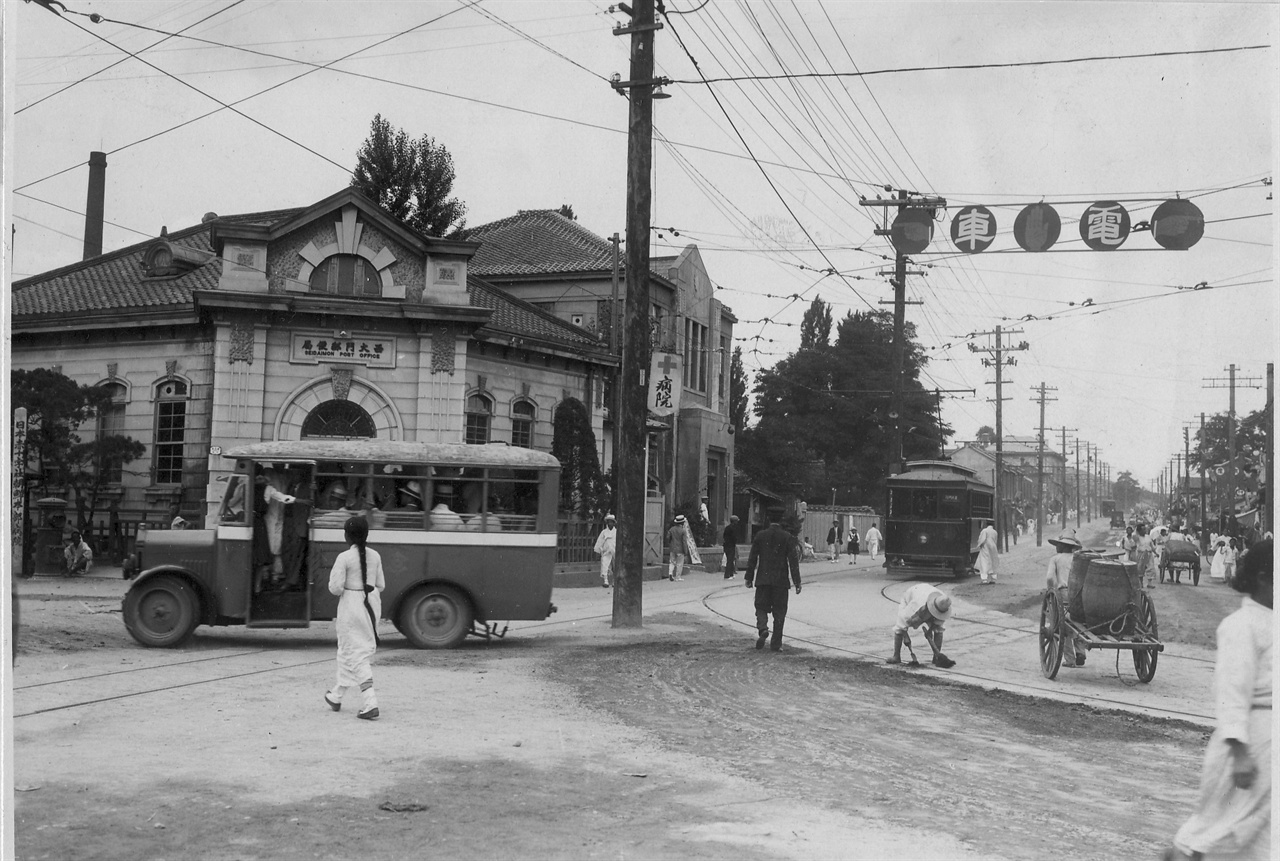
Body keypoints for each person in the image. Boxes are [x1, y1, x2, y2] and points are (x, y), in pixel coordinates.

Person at [1165, 539, 1271, 861]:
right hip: (1250, 744)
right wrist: (1239, 751)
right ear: (1265, 577)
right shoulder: (1241, 626)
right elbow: (1231, 691)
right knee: (1220, 831)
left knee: (1260, 837)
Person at [324, 516, 385, 721]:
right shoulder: (375, 555)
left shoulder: (344, 558)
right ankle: (336, 695)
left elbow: (335, 588)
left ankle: (370, 702)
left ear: (346, 536)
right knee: (350, 650)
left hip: (351, 606)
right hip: (370, 604)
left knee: (354, 652)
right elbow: (381, 584)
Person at [744, 509, 802, 651]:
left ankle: (763, 628)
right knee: (780, 612)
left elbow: (752, 558)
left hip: (763, 579)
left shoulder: (760, 535)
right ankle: (776, 644)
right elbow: (793, 561)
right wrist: (797, 581)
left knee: (760, 606)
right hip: (781, 581)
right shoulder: (787, 537)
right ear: (781, 519)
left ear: (768, 519)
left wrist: (749, 577)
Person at [886, 582, 955, 668]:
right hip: (912, 596)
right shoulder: (915, 606)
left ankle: (936, 657)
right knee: (899, 629)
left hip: (927, 593)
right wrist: (905, 636)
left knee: (939, 630)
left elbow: (938, 625)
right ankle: (896, 656)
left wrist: (930, 630)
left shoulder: (944, 602)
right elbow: (902, 621)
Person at [1045, 528, 1086, 668]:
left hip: (1063, 594)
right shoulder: (1078, 558)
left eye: (1058, 544)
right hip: (1080, 596)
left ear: (1063, 546)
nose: (1056, 547)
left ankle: (1070, 659)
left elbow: (1050, 577)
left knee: (1064, 626)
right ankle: (1081, 652)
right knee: (1079, 623)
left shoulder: (1055, 559)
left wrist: (1051, 591)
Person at [262, 467, 297, 586]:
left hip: (280, 515)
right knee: (270, 545)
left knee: (278, 545)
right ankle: (268, 574)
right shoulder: (269, 473)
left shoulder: (287, 475)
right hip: (270, 515)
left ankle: (276, 574)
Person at [593, 514, 617, 589]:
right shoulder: (604, 532)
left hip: (614, 551)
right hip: (606, 551)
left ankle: (614, 581)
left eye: (611, 522)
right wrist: (598, 550)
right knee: (605, 565)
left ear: (613, 523)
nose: (610, 524)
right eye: (608, 522)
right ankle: (605, 581)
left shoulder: (616, 532)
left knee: (615, 567)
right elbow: (600, 541)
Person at [666, 515, 690, 582]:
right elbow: (684, 542)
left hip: (672, 548)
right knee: (679, 563)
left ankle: (670, 573)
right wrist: (685, 551)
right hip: (680, 549)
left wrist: (670, 544)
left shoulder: (671, 529)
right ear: (682, 523)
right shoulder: (683, 531)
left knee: (672, 562)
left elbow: (668, 537)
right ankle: (678, 577)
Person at [1135, 522, 1159, 589]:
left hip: (1149, 554)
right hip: (1141, 554)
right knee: (1140, 569)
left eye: (1145, 529)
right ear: (1139, 531)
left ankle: (1150, 583)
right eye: (1143, 529)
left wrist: (1156, 553)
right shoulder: (1137, 538)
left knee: (1150, 568)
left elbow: (1152, 546)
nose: (1144, 531)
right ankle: (1140, 583)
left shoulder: (1148, 537)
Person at [976, 519, 999, 585]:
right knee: (993, 561)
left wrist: (979, 545)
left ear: (986, 524)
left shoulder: (984, 531)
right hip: (993, 547)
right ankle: (993, 578)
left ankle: (984, 579)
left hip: (986, 547)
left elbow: (982, 539)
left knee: (984, 562)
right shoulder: (995, 532)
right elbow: (995, 540)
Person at [722, 515, 740, 580]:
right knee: (730, 560)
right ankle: (727, 575)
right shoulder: (733, 528)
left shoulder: (727, 528)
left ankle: (731, 573)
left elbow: (724, 536)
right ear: (734, 521)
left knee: (730, 559)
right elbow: (734, 537)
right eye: (736, 521)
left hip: (726, 545)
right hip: (731, 545)